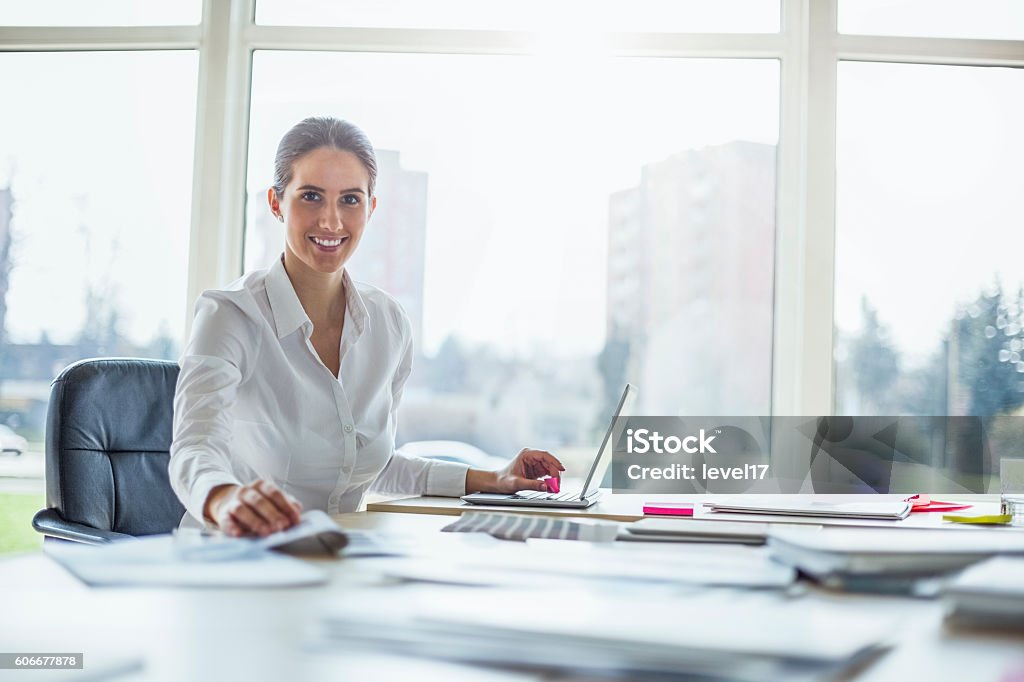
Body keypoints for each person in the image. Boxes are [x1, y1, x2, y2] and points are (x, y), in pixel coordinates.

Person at [169, 116, 563, 537]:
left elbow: (368, 464)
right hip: (233, 559)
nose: (331, 221)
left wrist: (494, 479)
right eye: (311, 196)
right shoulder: (230, 316)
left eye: (350, 200)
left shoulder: (389, 325)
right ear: (275, 202)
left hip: (339, 559)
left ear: (371, 208)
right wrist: (224, 497)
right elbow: (195, 449)